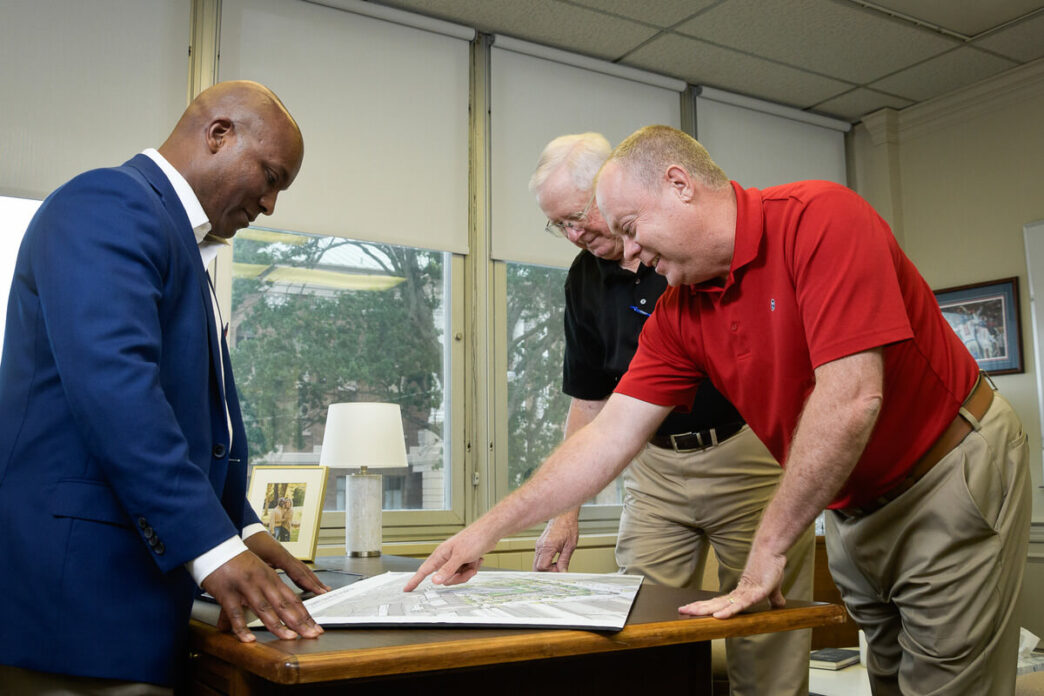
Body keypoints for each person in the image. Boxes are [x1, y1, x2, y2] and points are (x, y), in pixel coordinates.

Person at [406, 125, 1032, 696]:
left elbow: (850, 399)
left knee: (945, 685)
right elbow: (607, 435)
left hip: (942, 468)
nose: (629, 255)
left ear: (679, 185)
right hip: (853, 501)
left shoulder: (821, 217)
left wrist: (770, 544)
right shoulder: (679, 311)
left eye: (631, 228)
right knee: (889, 678)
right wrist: (486, 530)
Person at [0, 80, 329, 692]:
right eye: (271, 177)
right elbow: (117, 393)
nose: (269, 205)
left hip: (130, 608)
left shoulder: (173, 236)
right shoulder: (108, 203)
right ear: (219, 134)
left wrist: (243, 530)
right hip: (78, 612)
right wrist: (213, 547)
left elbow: (192, 427)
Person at [528, 132, 813, 695]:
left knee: (764, 623)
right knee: (640, 624)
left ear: (611, 190)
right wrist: (564, 511)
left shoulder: (690, 244)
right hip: (654, 468)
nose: (573, 234)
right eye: (557, 225)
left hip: (743, 452)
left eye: (578, 217)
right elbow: (590, 399)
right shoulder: (582, 279)